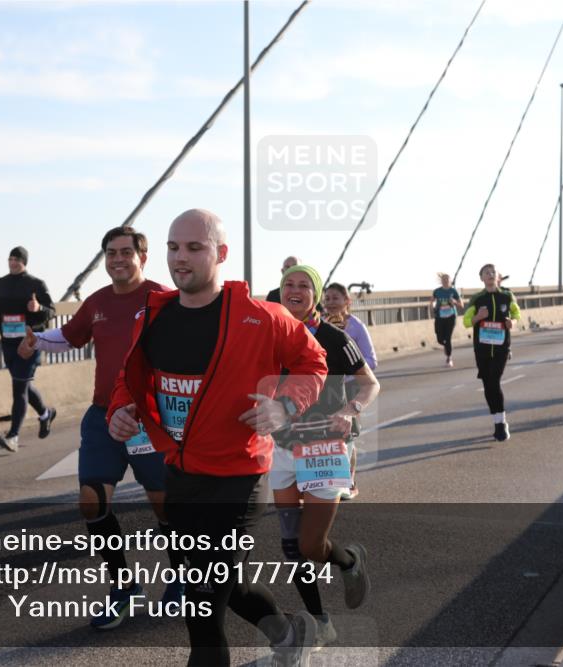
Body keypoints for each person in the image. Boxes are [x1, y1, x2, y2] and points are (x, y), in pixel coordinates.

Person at [106, 209, 330, 667]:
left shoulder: (261, 317)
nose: (180, 258)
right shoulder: (152, 317)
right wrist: (120, 411)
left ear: (221, 253)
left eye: (194, 248)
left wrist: (284, 406)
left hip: (239, 477)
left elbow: (314, 362)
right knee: (227, 585)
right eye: (173, 247)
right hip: (181, 473)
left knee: (202, 607)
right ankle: (291, 634)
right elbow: (129, 379)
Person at [18, 226, 182, 630]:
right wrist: (36, 341)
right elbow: (69, 337)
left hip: (149, 418)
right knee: (91, 501)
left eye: (126, 252)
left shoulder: (164, 299)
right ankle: (124, 586)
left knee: (163, 502)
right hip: (103, 415)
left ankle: (181, 576)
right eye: (111, 253)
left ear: (143, 257)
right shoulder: (97, 302)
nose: (117, 259)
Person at [269, 265, 380, 648]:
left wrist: (351, 410)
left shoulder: (334, 338)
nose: (295, 290)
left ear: (315, 295)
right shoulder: (269, 334)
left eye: (304, 285)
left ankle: (348, 560)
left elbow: (370, 384)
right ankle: (320, 622)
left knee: (310, 545)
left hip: (325, 448)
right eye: (289, 284)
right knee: (290, 545)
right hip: (282, 448)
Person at [0, 246, 57, 452]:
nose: (13, 262)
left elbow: (52, 311)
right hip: (8, 342)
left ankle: (13, 436)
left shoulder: (35, 284)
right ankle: (46, 414)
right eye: (10, 259)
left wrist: (39, 308)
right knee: (23, 384)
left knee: (19, 387)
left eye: (17, 259)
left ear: (24, 262)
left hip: (29, 343)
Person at [322, 282, 378, 501]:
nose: (330, 303)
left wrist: (348, 370)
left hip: (351, 385)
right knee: (325, 431)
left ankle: (349, 481)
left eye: (335, 298)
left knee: (348, 434)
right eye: (327, 298)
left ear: (347, 301)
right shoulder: (320, 325)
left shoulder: (356, 326)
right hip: (327, 387)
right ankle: (323, 479)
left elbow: (371, 360)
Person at [462, 263, 521, 441]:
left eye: (493, 271)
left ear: (498, 276)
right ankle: (497, 421)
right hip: (482, 348)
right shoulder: (477, 299)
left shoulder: (507, 296)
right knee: (488, 384)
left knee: (494, 381)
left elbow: (517, 315)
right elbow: (466, 322)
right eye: (486, 272)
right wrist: (478, 317)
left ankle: (501, 422)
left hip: (501, 347)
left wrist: (512, 323)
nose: (490, 274)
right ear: (481, 278)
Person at [431, 273, 464, 367]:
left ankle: (449, 358)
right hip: (439, 317)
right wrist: (432, 308)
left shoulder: (453, 291)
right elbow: (432, 302)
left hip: (451, 316)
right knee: (440, 339)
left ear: (450, 281)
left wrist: (454, 302)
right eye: (443, 279)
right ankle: (446, 346)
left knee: (448, 337)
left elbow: (461, 305)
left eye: (447, 279)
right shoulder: (437, 291)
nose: (445, 281)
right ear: (441, 281)